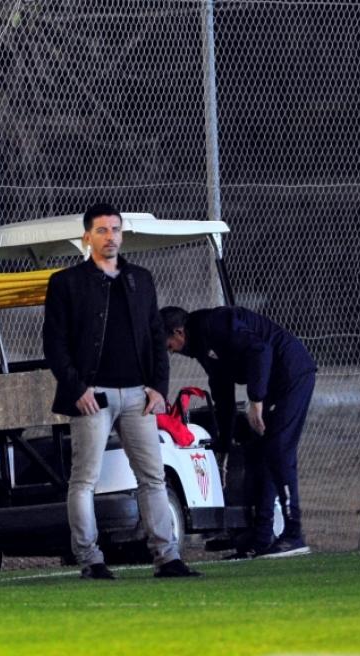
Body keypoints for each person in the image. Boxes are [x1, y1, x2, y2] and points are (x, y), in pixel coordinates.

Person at [43, 202, 200, 580]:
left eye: (115, 229)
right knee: (85, 480)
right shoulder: (66, 283)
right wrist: (76, 387)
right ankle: (91, 560)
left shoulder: (140, 279)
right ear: (87, 237)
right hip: (92, 396)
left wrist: (158, 389)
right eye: (102, 230)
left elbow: (154, 336)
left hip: (138, 396)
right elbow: (54, 342)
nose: (110, 236)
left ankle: (167, 556)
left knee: (152, 477)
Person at [161, 305, 316, 558]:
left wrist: (256, 400)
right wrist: (223, 443)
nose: (170, 350)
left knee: (278, 450)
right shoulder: (202, 345)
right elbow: (222, 391)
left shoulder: (216, 324)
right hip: (271, 385)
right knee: (259, 453)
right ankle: (261, 538)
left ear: (178, 332)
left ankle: (294, 533)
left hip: (291, 375)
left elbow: (261, 350)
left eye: (168, 343)